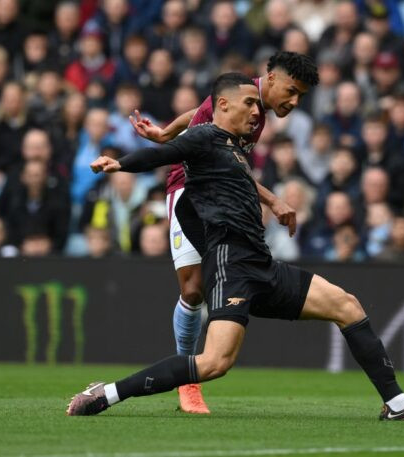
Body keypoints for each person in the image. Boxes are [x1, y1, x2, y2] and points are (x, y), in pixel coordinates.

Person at [69, 73, 404, 423]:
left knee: (347, 306)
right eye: (248, 103)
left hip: (262, 266)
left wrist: (274, 201)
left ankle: (397, 405)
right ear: (223, 106)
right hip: (231, 267)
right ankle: (107, 393)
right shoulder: (205, 138)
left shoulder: (234, 151)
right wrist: (121, 163)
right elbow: (159, 155)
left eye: (256, 104)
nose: (255, 111)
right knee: (215, 362)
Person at [128, 52, 318, 414]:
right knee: (193, 288)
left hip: (225, 195)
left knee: (219, 279)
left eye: (301, 97)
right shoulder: (240, 96)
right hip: (188, 190)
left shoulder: (251, 108)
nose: (294, 102)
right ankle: (187, 382)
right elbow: (208, 130)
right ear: (271, 79)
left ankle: (193, 372)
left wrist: (168, 130)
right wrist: (274, 200)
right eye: (291, 92)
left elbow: (203, 117)